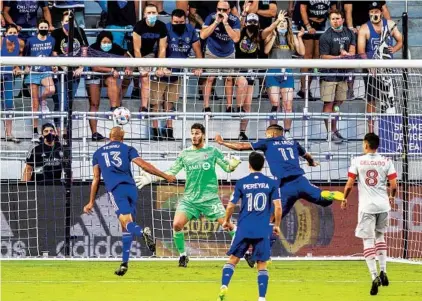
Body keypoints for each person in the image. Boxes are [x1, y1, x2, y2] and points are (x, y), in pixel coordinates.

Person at [215, 124, 344, 267]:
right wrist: (312, 163)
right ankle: (326, 193)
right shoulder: (293, 142)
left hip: (284, 186)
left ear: (271, 134)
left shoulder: (268, 143)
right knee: (324, 200)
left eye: (267, 134)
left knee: (270, 220)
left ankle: (263, 255)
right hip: (301, 181)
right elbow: (307, 156)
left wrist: (222, 143)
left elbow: (241, 146)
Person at [135, 123, 241, 267]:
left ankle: (245, 252)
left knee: (227, 225)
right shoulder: (184, 154)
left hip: (210, 199)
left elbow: (227, 167)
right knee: (177, 225)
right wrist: (152, 178)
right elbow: (172, 172)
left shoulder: (212, 151)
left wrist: (233, 165)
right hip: (190, 199)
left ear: (203, 135)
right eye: (192, 133)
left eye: (197, 133)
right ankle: (183, 255)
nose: (194, 136)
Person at [83, 127, 176, 276]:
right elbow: (144, 165)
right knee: (126, 227)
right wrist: (165, 176)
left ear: (109, 137)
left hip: (116, 190)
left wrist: (91, 201)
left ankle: (142, 232)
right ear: (123, 138)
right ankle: (124, 263)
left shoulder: (98, 153)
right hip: (132, 189)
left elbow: (96, 179)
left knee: (127, 223)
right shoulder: (128, 149)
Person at [216, 152, 282, 301]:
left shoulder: (242, 183)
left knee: (233, 259)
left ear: (249, 165)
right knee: (262, 264)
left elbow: (231, 205)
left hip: (244, 228)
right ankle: (261, 298)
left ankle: (224, 286)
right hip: (262, 229)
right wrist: (276, 225)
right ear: (263, 165)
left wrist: (226, 220)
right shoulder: (272, 184)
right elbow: (278, 207)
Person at [342, 133, 397, 296]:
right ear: (377, 145)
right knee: (380, 237)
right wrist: (392, 197)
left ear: (366, 145)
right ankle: (384, 271)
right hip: (383, 205)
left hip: (367, 207)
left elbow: (350, 183)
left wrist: (344, 198)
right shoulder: (387, 161)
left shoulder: (357, 161)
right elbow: (394, 184)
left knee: (368, 240)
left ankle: (374, 276)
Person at [151, 9, 203, 141]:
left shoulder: (190, 30)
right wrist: (161, 67)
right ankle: (155, 130)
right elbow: (161, 48)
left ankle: (169, 129)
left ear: (185, 20)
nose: (178, 24)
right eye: (175, 22)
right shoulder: (166, 28)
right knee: (156, 102)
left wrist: (199, 66)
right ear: (171, 20)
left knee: (170, 102)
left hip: (177, 72)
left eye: (181, 22)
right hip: (161, 72)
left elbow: (197, 48)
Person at [357, 1, 402, 133]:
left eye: (376, 11)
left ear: (381, 12)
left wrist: (394, 48)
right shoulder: (364, 28)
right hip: (372, 69)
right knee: (371, 99)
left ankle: (389, 128)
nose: (374, 13)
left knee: (389, 98)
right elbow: (361, 50)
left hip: (387, 69)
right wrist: (369, 65)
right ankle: (370, 131)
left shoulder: (390, 25)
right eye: (372, 11)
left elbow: (400, 39)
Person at [261, 10, 305, 140]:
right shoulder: (270, 35)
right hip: (273, 73)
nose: (281, 24)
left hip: (287, 74)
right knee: (275, 103)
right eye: (279, 22)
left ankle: (287, 132)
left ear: (288, 25)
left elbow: (301, 52)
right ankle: (273, 133)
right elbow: (266, 50)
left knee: (288, 105)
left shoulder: (291, 37)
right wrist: (274, 35)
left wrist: (300, 37)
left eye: (284, 22)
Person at [86, 31, 133, 141]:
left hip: (109, 76)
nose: (106, 44)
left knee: (112, 80)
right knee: (94, 104)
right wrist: (111, 69)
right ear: (100, 41)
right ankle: (94, 133)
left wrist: (127, 68)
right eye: (104, 42)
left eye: (109, 42)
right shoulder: (93, 48)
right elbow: (95, 68)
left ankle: (114, 109)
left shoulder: (116, 48)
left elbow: (127, 57)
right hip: (94, 76)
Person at [319, 9, 355, 144]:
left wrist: (348, 55)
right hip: (328, 75)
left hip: (342, 75)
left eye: (338, 18)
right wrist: (338, 57)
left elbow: (353, 50)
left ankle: (334, 129)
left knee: (338, 103)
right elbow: (323, 56)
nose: (336, 21)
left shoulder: (350, 33)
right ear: (330, 21)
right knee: (328, 103)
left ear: (343, 19)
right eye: (333, 19)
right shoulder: (325, 36)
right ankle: (330, 132)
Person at [200, 0, 240, 113]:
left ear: (229, 10)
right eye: (219, 9)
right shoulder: (211, 17)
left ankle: (229, 106)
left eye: (224, 10)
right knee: (210, 78)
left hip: (228, 52)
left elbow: (236, 38)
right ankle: (206, 106)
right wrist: (216, 23)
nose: (221, 12)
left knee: (229, 79)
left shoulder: (234, 20)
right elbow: (203, 35)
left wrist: (226, 23)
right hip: (212, 51)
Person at [51, 10, 87, 137]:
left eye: (70, 22)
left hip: (75, 73)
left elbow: (84, 50)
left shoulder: (80, 32)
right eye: (66, 21)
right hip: (61, 73)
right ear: (62, 23)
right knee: (61, 102)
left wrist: (81, 67)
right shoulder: (56, 33)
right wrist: (64, 67)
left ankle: (67, 131)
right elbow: (54, 53)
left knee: (69, 101)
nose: (68, 24)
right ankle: (60, 130)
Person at [23, 18, 56, 142]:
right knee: (34, 105)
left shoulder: (52, 40)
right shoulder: (30, 40)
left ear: (48, 28)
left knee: (51, 89)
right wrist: (26, 67)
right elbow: (26, 55)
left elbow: (52, 54)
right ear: (37, 28)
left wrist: (54, 65)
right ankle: (35, 132)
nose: (43, 29)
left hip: (45, 71)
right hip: (33, 72)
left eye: (45, 27)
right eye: (41, 27)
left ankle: (43, 100)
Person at [297, 0, 336, 101]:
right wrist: (308, 25)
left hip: (322, 24)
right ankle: (303, 89)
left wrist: (334, 22)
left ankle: (310, 88)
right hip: (307, 23)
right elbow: (302, 9)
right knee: (308, 56)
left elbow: (334, 9)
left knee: (317, 57)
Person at [132, 3, 167, 114]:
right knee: (127, 79)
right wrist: (141, 67)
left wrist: (160, 66)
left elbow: (162, 48)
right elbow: (136, 49)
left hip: (149, 54)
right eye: (149, 13)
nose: (151, 15)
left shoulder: (161, 26)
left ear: (157, 14)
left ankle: (144, 106)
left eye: (153, 12)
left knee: (145, 78)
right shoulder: (139, 26)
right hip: (133, 54)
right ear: (144, 15)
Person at [234, 12, 263, 141]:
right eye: (250, 22)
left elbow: (268, 31)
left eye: (254, 22)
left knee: (248, 105)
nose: (252, 24)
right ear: (246, 23)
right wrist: (243, 14)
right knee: (242, 83)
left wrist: (276, 22)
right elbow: (238, 26)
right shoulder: (240, 32)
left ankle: (242, 132)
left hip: (251, 70)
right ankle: (237, 108)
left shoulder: (258, 35)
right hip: (239, 68)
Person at [1, 24, 25, 143]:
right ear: (5, 34)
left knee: (9, 104)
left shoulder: (20, 44)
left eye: (14, 32)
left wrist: (16, 67)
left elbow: (18, 60)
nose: (12, 34)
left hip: (9, 76)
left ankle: (9, 133)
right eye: (10, 32)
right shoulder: (1, 41)